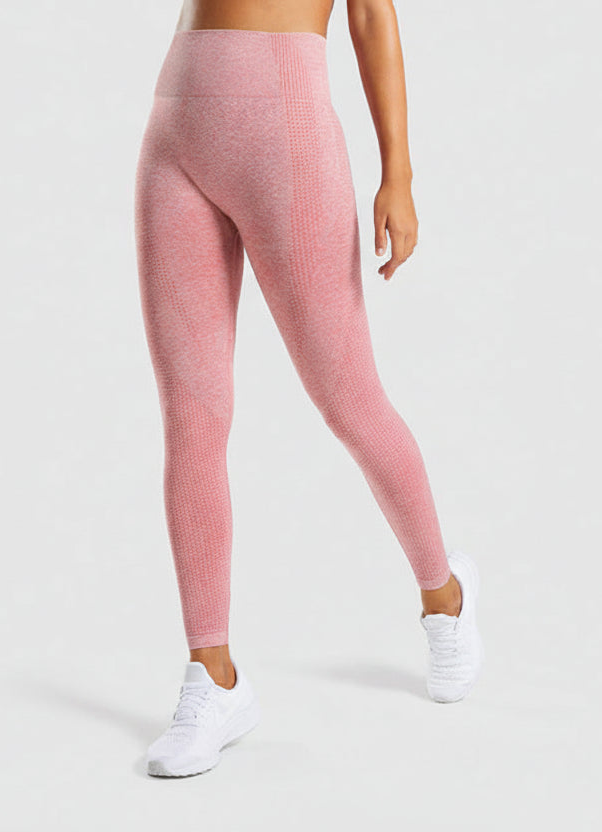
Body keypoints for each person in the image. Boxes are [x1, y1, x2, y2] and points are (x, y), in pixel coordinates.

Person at [134, 0, 484, 777]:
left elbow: (372, 14)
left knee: (349, 401)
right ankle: (213, 676)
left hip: (285, 129)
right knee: (191, 418)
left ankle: (445, 594)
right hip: (176, 122)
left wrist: (398, 172)